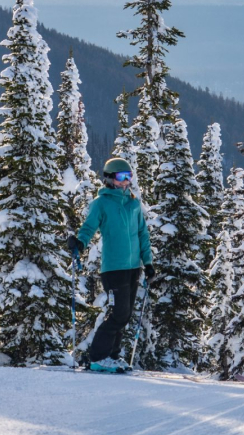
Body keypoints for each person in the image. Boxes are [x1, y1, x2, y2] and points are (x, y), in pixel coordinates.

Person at [65, 157, 154, 372]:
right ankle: (97, 357)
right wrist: (79, 242)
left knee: (125, 315)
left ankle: (112, 355)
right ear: (109, 179)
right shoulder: (101, 203)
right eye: (122, 177)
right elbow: (88, 228)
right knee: (118, 314)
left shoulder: (133, 204)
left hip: (134, 268)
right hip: (114, 269)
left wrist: (148, 263)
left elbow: (142, 234)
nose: (126, 181)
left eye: (129, 177)